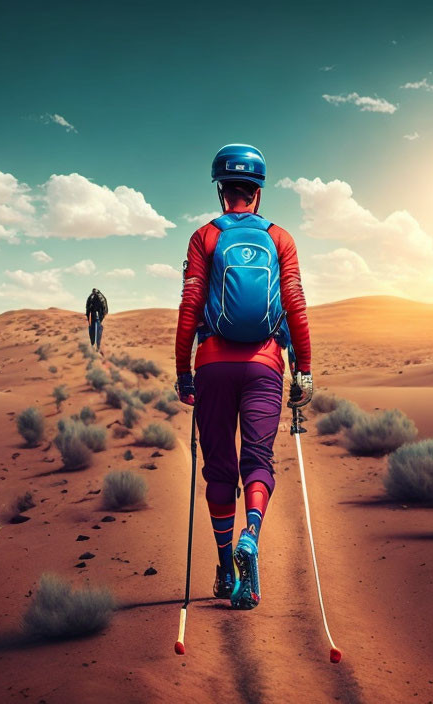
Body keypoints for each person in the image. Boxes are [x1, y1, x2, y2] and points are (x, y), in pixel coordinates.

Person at [174, 144, 313, 610]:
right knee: (258, 460)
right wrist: (305, 371)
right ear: (258, 192)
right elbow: (294, 306)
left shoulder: (205, 237)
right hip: (266, 366)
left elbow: (190, 307)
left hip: (213, 364)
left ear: (221, 191)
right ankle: (251, 536)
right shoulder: (281, 239)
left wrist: (182, 371)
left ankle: (224, 572)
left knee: (219, 468)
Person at [86, 288, 108, 352]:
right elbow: (105, 308)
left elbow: (87, 308)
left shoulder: (91, 297)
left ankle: (95, 346)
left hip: (96, 316)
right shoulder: (100, 296)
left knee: (94, 330)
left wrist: (88, 317)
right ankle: (96, 346)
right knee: (97, 330)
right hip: (97, 316)